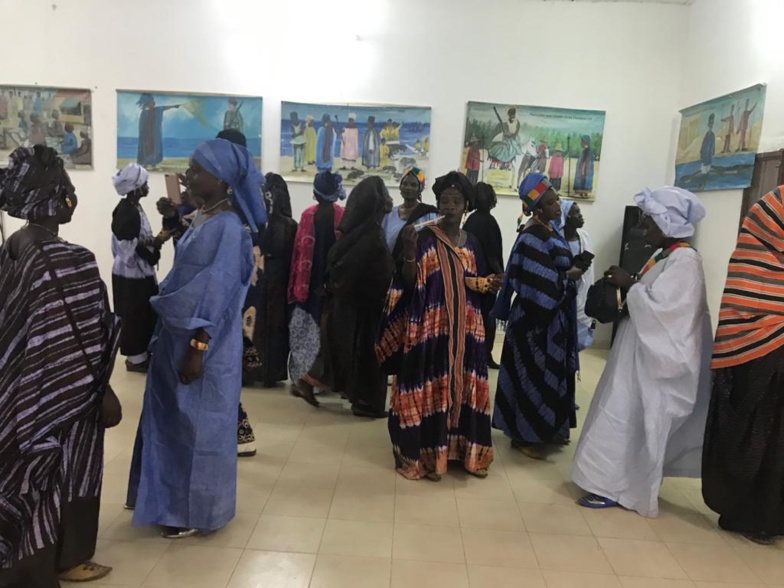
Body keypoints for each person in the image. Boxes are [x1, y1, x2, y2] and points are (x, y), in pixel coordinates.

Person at [0, 145, 122, 585]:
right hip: (72, 398)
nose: (73, 199)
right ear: (53, 197)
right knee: (72, 474)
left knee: (27, 478)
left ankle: (26, 561)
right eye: (68, 191)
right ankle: (70, 558)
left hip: (20, 397)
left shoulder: (11, 250)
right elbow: (95, 336)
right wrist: (104, 390)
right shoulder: (74, 260)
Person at [131, 138, 262, 538]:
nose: (188, 175)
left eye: (197, 169)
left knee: (197, 428)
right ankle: (166, 500)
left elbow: (218, 296)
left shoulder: (226, 228)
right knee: (173, 422)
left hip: (203, 346)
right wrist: (178, 218)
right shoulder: (206, 217)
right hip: (176, 339)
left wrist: (198, 348)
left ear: (222, 180)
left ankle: (191, 511)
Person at [572, 186, 711, 517]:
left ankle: (618, 488)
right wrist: (631, 286)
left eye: (648, 223)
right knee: (619, 412)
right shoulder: (665, 256)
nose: (643, 229)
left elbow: (667, 314)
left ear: (668, 224)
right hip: (637, 351)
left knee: (632, 418)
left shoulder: (685, 262)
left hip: (654, 361)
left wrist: (629, 284)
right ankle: (607, 480)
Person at [377, 171, 503, 481]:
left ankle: (464, 453)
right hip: (431, 330)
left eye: (456, 201)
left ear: (466, 206)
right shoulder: (422, 237)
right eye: (444, 200)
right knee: (432, 386)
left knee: (465, 386)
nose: (449, 206)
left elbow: (476, 281)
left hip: (467, 330)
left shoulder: (472, 243)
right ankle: (428, 454)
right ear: (436, 203)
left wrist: (490, 285)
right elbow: (407, 283)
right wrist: (408, 254)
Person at [703, 186, 784, 545]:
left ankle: (766, 513)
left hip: (765, 352)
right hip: (762, 355)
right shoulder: (758, 252)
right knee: (759, 438)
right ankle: (751, 512)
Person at [492, 173, 586, 460]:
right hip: (535, 321)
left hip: (552, 317)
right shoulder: (532, 235)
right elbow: (538, 283)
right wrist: (570, 275)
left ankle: (549, 429)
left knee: (552, 375)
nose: (557, 204)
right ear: (538, 208)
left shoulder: (550, 228)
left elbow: (556, 270)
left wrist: (571, 271)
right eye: (550, 201)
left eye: (556, 197)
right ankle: (524, 435)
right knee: (531, 376)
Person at [292, 177, 394, 417]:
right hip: (360, 307)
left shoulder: (360, 233)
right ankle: (363, 402)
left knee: (342, 352)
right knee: (354, 355)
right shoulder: (372, 237)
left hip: (352, 305)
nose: (389, 204)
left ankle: (352, 396)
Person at [288, 171, 346, 402]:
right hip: (332, 286)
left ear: (315, 192)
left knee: (305, 332)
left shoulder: (307, 215)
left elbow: (298, 253)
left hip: (308, 285)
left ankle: (304, 379)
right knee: (327, 333)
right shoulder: (342, 215)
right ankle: (321, 381)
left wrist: (294, 285)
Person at [241, 172, 298, 388]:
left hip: (255, 280)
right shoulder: (290, 225)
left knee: (251, 324)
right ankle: (271, 372)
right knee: (274, 326)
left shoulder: (251, 225)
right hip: (278, 282)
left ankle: (250, 370)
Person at [111, 163, 161, 373]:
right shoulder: (126, 211)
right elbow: (127, 245)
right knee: (134, 315)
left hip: (138, 273)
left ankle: (141, 353)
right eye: (145, 184)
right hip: (130, 275)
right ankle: (135, 358)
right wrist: (155, 243)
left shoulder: (133, 208)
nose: (148, 187)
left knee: (144, 313)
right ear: (137, 187)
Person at [463, 182, 504, 369]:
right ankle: (485, 355)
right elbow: (492, 253)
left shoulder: (470, 220)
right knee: (488, 317)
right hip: (487, 276)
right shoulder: (489, 221)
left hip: (471, 274)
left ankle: (472, 353)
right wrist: (500, 275)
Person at [559, 200, 595, 350]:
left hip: (581, 294)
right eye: (577, 213)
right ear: (566, 216)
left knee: (578, 341)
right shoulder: (556, 239)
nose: (581, 216)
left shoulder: (584, 237)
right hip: (561, 294)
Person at [381, 165, 438, 256]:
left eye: (413, 185)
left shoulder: (429, 214)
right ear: (400, 187)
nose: (408, 187)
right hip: (391, 265)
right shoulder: (389, 214)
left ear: (420, 189)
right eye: (405, 184)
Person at [136, 93, 180, 167]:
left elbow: (164, 108)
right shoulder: (144, 113)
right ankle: (145, 164)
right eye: (151, 102)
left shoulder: (157, 110)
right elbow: (142, 127)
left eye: (153, 102)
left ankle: (153, 163)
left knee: (154, 149)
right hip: (147, 136)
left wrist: (174, 106)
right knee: (147, 149)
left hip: (154, 135)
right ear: (148, 103)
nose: (153, 103)